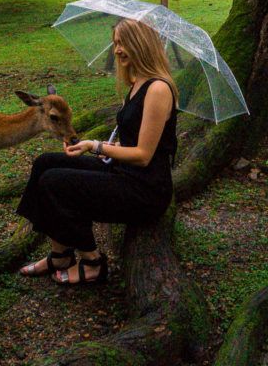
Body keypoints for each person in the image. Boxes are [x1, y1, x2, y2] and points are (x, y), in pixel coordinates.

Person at [17, 17, 178, 285]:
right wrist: (100, 148)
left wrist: (96, 146)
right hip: (122, 171)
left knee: (54, 182)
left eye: (122, 43)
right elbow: (131, 143)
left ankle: (92, 262)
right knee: (44, 163)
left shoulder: (158, 88)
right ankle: (60, 254)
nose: (116, 50)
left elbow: (144, 155)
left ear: (141, 44)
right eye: (115, 43)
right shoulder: (136, 83)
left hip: (145, 190)